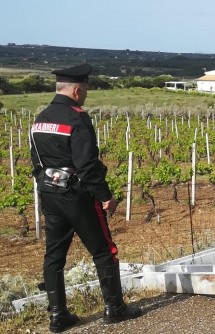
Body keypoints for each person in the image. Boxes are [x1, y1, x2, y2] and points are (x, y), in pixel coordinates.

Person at [30, 63, 141, 332]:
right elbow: (87, 164)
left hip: (49, 194)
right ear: (77, 89)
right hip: (78, 195)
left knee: (54, 256)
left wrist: (48, 185)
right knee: (104, 250)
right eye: (86, 89)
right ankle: (114, 308)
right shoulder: (77, 118)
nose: (86, 94)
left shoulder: (40, 118)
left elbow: (36, 161)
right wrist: (105, 195)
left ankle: (58, 316)